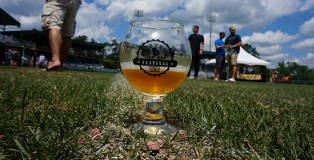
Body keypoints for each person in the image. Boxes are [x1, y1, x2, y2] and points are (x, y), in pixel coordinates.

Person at [41, 0, 81, 71]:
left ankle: (55, 60)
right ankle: (60, 65)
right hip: (76, 2)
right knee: (67, 34)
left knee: (54, 25)